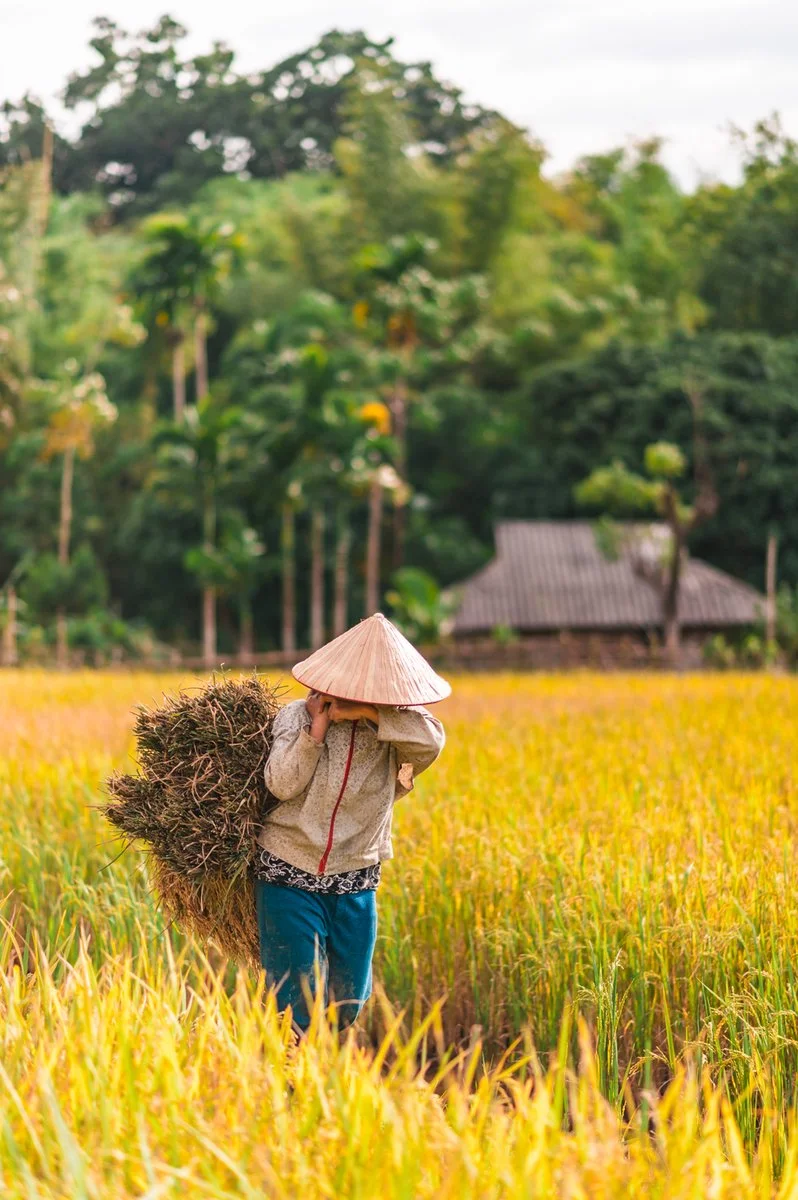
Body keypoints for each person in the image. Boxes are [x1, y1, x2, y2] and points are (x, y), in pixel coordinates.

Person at [254, 611, 449, 1033]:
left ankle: (313, 1069)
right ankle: (286, 1086)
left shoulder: (400, 728)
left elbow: (432, 743)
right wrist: (317, 730)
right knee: (293, 1007)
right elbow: (281, 783)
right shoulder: (296, 715)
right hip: (288, 872)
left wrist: (371, 716)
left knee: (347, 1004)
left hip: (356, 877)